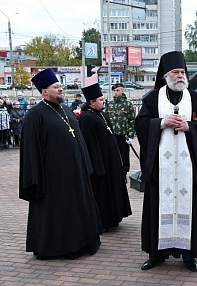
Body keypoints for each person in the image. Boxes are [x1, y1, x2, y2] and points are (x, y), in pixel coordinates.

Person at [135, 51, 197, 272]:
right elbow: (141, 124)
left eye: (182, 72)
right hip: (161, 168)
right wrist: (161, 122)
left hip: (187, 168)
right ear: (166, 75)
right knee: (157, 208)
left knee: (189, 207)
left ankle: (189, 256)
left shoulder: (195, 97)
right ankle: (156, 255)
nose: (180, 76)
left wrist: (190, 127)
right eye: (175, 72)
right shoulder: (152, 98)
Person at [19, 68, 102, 260]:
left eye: (60, 86)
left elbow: (78, 139)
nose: (61, 89)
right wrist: (35, 180)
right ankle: (59, 248)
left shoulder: (66, 110)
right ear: (44, 91)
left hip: (76, 175)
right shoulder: (35, 115)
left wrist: (85, 166)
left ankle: (82, 243)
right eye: (56, 87)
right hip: (53, 178)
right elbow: (31, 151)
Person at [80, 83, 132, 231]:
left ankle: (114, 217)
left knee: (113, 190)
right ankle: (103, 221)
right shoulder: (87, 118)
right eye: (101, 100)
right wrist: (98, 167)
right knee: (102, 194)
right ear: (92, 102)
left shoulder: (102, 114)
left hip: (111, 162)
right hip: (101, 163)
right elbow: (91, 145)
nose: (104, 101)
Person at [106, 83, 136, 182]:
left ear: (122, 91)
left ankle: (123, 173)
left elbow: (132, 120)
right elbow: (106, 119)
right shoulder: (110, 104)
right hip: (112, 135)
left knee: (124, 155)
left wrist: (131, 135)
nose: (116, 92)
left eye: (118, 90)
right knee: (113, 154)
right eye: (114, 91)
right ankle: (114, 173)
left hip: (123, 134)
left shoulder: (127, 104)